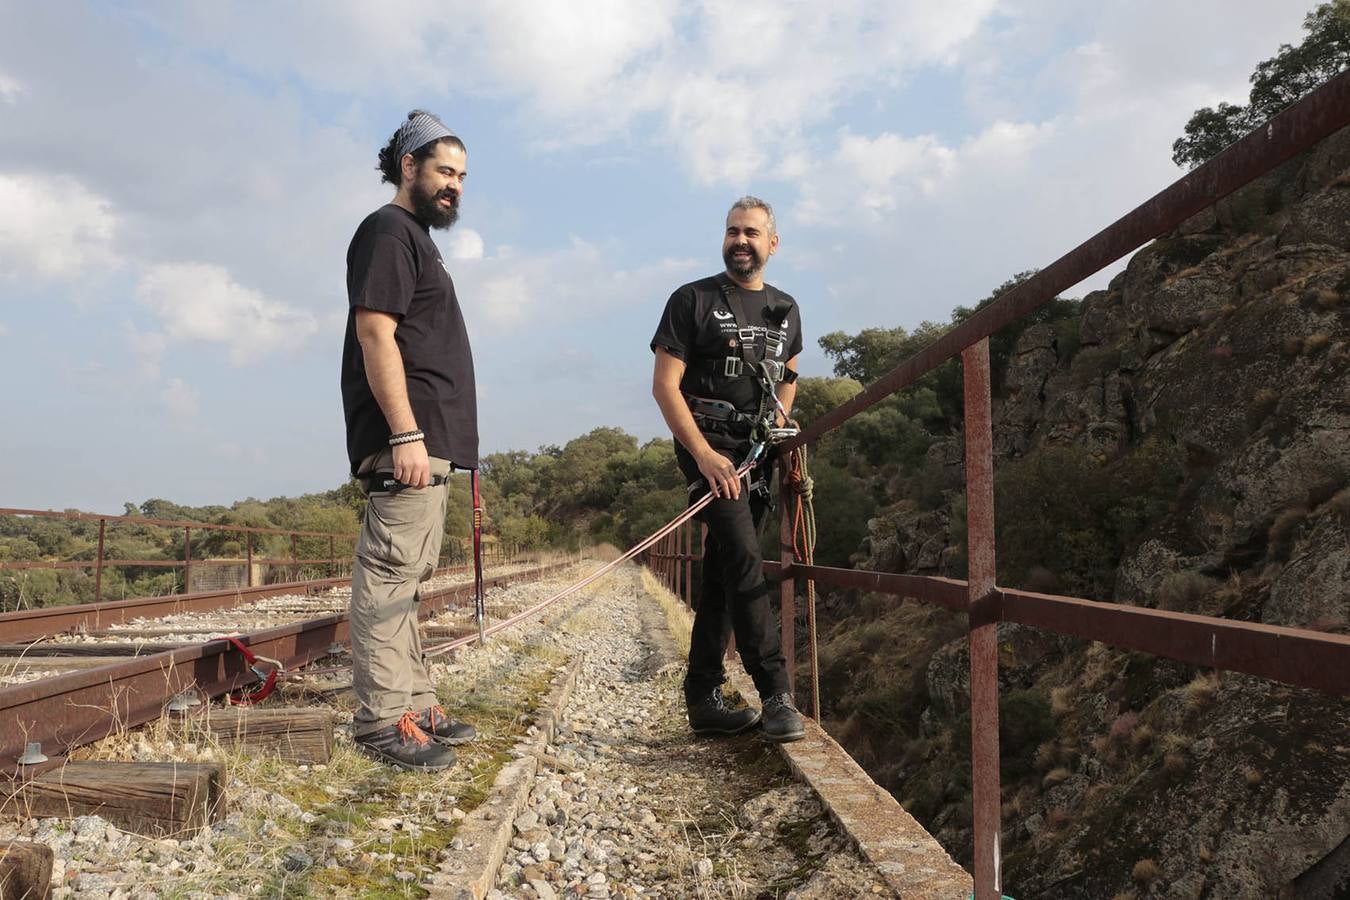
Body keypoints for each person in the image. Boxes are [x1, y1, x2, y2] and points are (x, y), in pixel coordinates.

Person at [340, 109, 480, 770]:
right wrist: (405, 432)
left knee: (410, 579)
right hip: (410, 439)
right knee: (390, 573)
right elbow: (375, 332)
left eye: (461, 176)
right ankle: (381, 720)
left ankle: (417, 705)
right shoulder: (389, 230)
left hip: (429, 441)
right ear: (408, 166)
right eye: (444, 171)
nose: (454, 185)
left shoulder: (416, 238)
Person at [649, 196, 807, 743]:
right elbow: (664, 387)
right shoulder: (691, 300)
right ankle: (777, 693)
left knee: (722, 566)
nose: (740, 240)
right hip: (707, 446)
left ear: (772, 244)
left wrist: (776, 427)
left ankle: (703, 695)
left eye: (751, 233)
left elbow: (788, 376)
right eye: (733, 231)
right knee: (743, 558)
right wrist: (703, 455)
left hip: (755, 454)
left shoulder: (786, 308)